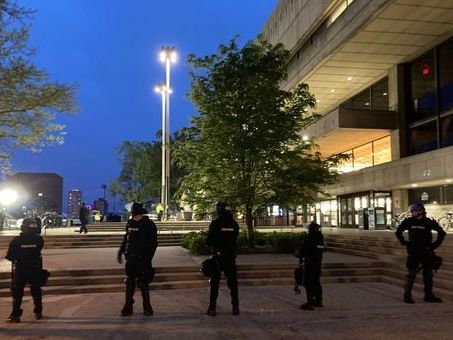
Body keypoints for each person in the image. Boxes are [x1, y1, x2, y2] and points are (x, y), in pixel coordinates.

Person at [395, 203, 446, 304]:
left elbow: (441, 233)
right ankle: (407, 295)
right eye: (413, 211)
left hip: (426, 251)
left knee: (428, 274)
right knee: (411, 274)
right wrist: (405, 243)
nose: (414, 213)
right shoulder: (409, 221)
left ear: (421, 211)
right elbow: (398, 231)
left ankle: (428, 295)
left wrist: (434, 245)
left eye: (416, 211)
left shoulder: (428, 222)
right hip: (413, 252)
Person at [117, 202, 158, 316]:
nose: (133, 216)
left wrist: (148, 258)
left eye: (134, 214)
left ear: (140, 214)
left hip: (143, 259)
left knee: (143, 283)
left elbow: (153, 244)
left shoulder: (149, 224)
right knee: (130, 282)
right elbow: (126, 238)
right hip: (131, 258)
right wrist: (120, 251)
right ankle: (128, 306)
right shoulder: (130, 223)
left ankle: (147, 307)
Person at [5, 218, 45, 322]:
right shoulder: (39, 240)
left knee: (17, 292)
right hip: (35, 267)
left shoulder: (16, 240)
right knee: (36, 290)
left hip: (21, 268)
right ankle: (38, 312)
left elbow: (10, 256)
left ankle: (15, 315)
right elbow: (38, 250)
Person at [206, 202, 240, 316]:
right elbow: (235, 238)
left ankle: (212, 308)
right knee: (233, 284)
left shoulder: (216, 223)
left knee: (215, 283)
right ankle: (236, 307)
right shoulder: (234, 224)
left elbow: (209, 240)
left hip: (218, 257)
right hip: (230, 256)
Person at [297, 221, 324, 310]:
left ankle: (310, 302)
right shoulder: (320, 237)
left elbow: (305, 249)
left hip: (310, 263)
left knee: (309, 283)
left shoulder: (310, 238)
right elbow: (320, 249)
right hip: (317, 264)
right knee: (316, 282)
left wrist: (301, 257)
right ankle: (318, 300)